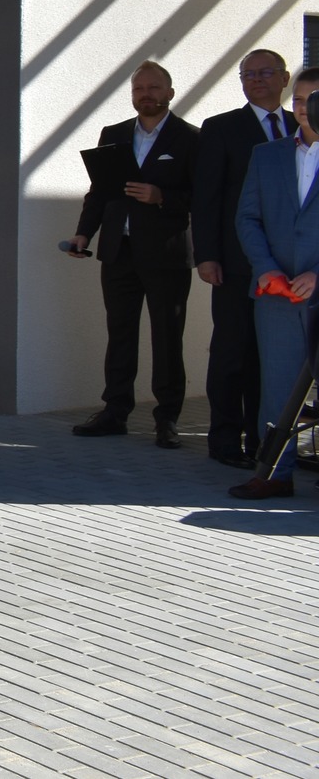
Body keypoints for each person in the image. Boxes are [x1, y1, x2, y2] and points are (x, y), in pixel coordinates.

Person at [66, 61, 198, 446]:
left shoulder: (190, 138)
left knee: (167, 337)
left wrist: (162, 197)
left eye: (154, 87)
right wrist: (84, 233)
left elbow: (202, 196)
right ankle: (114, 411)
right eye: (139, 88)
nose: (146, 94)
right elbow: (100, 191)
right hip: (118, 251)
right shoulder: (115, 134)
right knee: (120, 333)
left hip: (166, 254)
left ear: (170, 93)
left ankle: (167, 419)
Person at [192, 50, 294, 469]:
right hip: (234, 263)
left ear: (284, 78)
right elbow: (206, 196)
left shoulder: (302, 126)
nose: (256, 80)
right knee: (232, 352)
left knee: (270, 356)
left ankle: (262, 440)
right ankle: (223, 439)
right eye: (248, 74)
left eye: (265, 72)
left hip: (287, 265)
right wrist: (207, 255)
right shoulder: (221, 128)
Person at [228, 65, 319, 500]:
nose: (303, 108)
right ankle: (274, 473)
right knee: (278, 387)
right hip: (277, 294)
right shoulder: (267, 155)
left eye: (313, 100)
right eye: (298, 99)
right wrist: (265, 268)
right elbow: (247, 218)